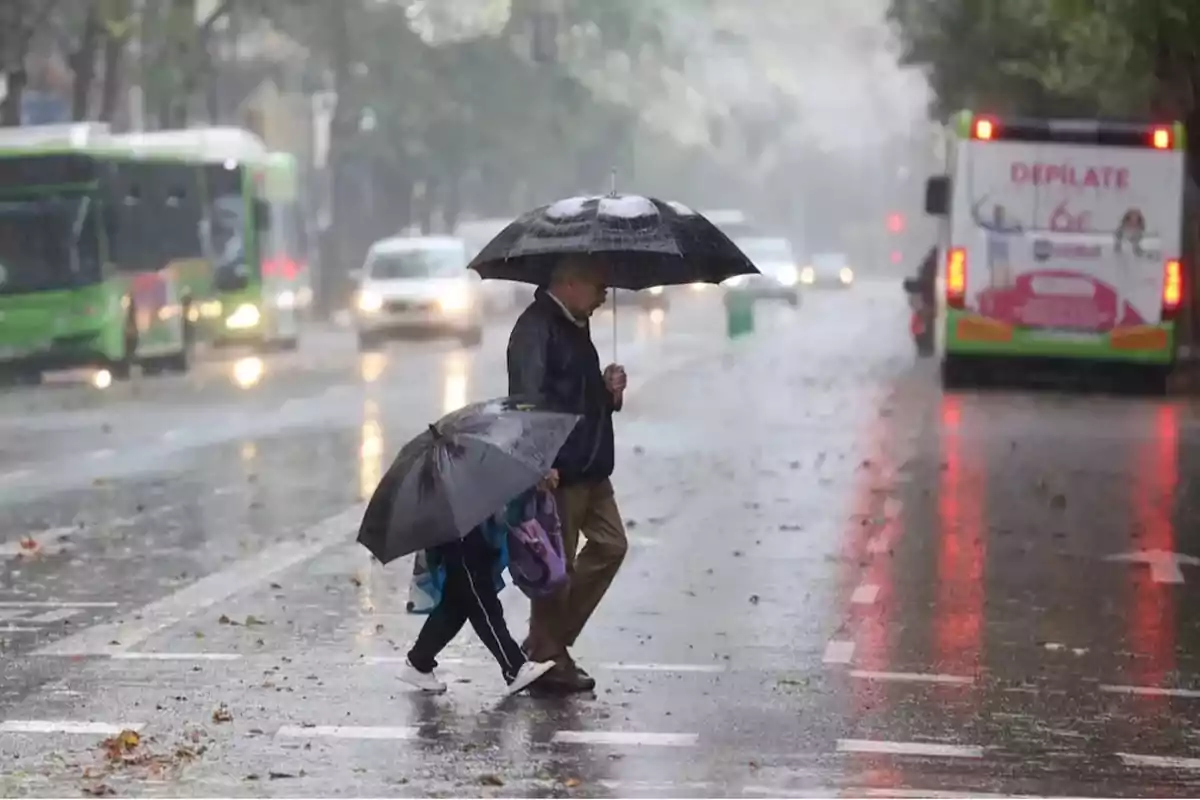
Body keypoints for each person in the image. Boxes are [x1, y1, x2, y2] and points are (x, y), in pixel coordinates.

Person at [506, 254, 628, 694]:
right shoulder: (535, 329)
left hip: (592, 465)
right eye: (599, 286)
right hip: (560, 470)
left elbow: (576, 392)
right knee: (556, 567)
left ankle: (546, 643)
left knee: (612, 545)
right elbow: (526, 403)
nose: (604, 296)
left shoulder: (575, 323)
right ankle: (547, 658)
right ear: (571, 283)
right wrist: (537, 461)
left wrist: (607, 389)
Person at [401, 480, 559, 696]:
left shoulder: (460, 459)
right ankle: (514, 667)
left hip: (467, 528)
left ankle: (419, 661)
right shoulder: (448, 463)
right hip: (459, 535)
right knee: (483, 603)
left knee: (455, 606)